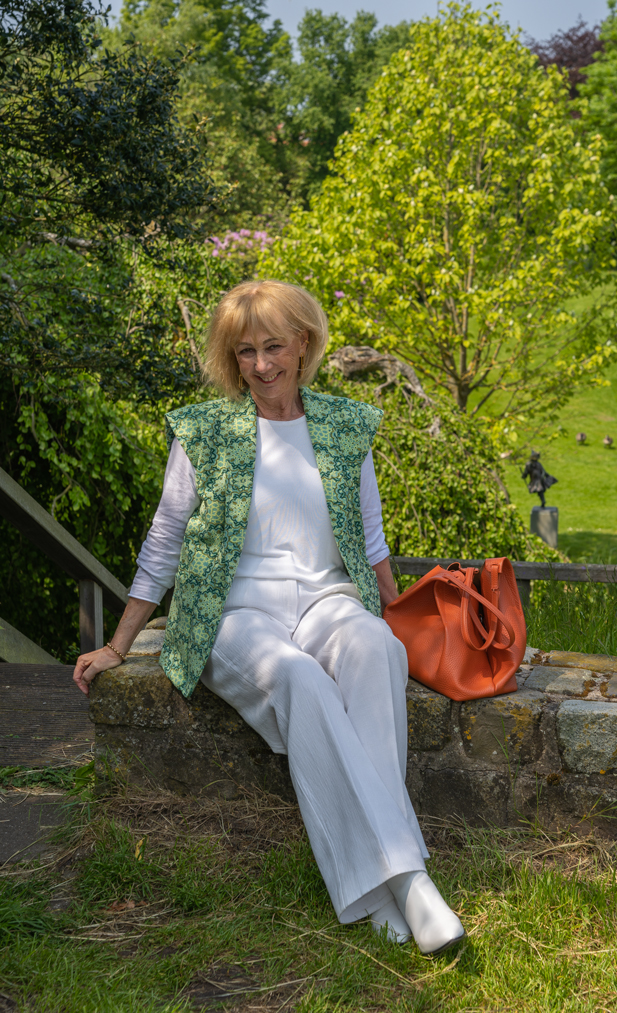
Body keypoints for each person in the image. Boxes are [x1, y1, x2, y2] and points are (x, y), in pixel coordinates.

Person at [73, 280, 465, 956]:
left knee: (375, 648)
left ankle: (384, 887)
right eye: (245, 351)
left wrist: (401, 621)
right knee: (301, 681)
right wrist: (118, 643)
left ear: (304, 344)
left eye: (274, 346)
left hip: (326, 601)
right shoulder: (204, 429)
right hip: (234, 613)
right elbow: (164, 541)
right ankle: (406, 879)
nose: (260, 365)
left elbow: (370, 542)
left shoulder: (343, 426)